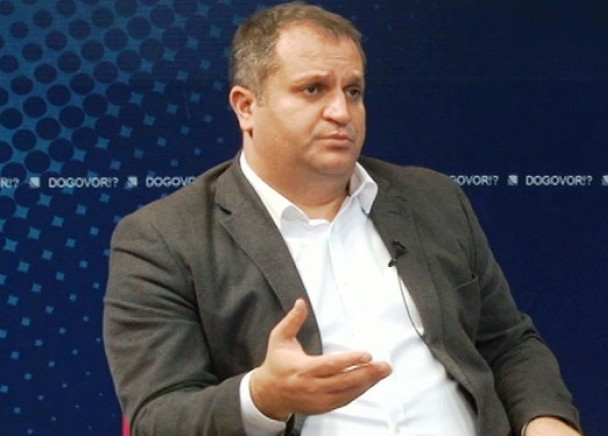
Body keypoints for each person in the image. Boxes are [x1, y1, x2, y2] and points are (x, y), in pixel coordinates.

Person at [103, 2, 583, 435]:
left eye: (353, 91)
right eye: (313, 89)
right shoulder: (163, 239)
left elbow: (508, 343)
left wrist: (545, 421)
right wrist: (263, 397)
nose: (341, 111)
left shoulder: (432, 199)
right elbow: (158, 416)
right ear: (246, 107)